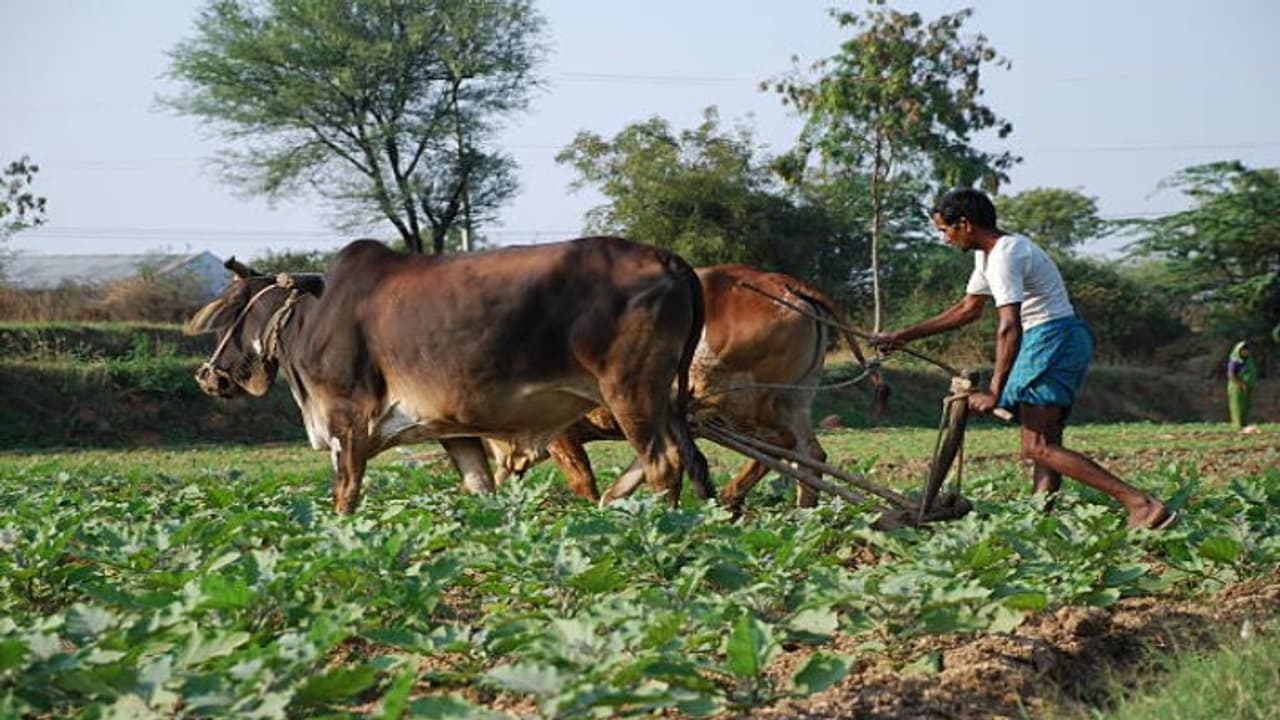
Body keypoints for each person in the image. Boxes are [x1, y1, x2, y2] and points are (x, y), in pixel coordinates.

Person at [872, 188, 1176, 529]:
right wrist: (902, 336)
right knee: (1046, 442)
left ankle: (1140, 504)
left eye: (945, 230)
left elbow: (1009, 326)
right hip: (1057, 337)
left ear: (965, 224)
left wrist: (994, 391)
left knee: (1037, 445)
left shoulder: (1005, 255)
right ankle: (1041, 520)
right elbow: (967, 309)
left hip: (1050, 338)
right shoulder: (988, 256)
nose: (944, 239)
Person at [1226, 340, 1258, 432]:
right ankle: (1238, 426)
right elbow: (1231, 375)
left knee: (1245, 406)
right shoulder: (1235, 361)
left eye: (1246, 350)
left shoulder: (1248, 361)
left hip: (1246, 387)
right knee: (1237, 406)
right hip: (1236, 387)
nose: (1245, 352)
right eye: (1243, 350)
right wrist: (1240, 384)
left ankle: (1244, 424)